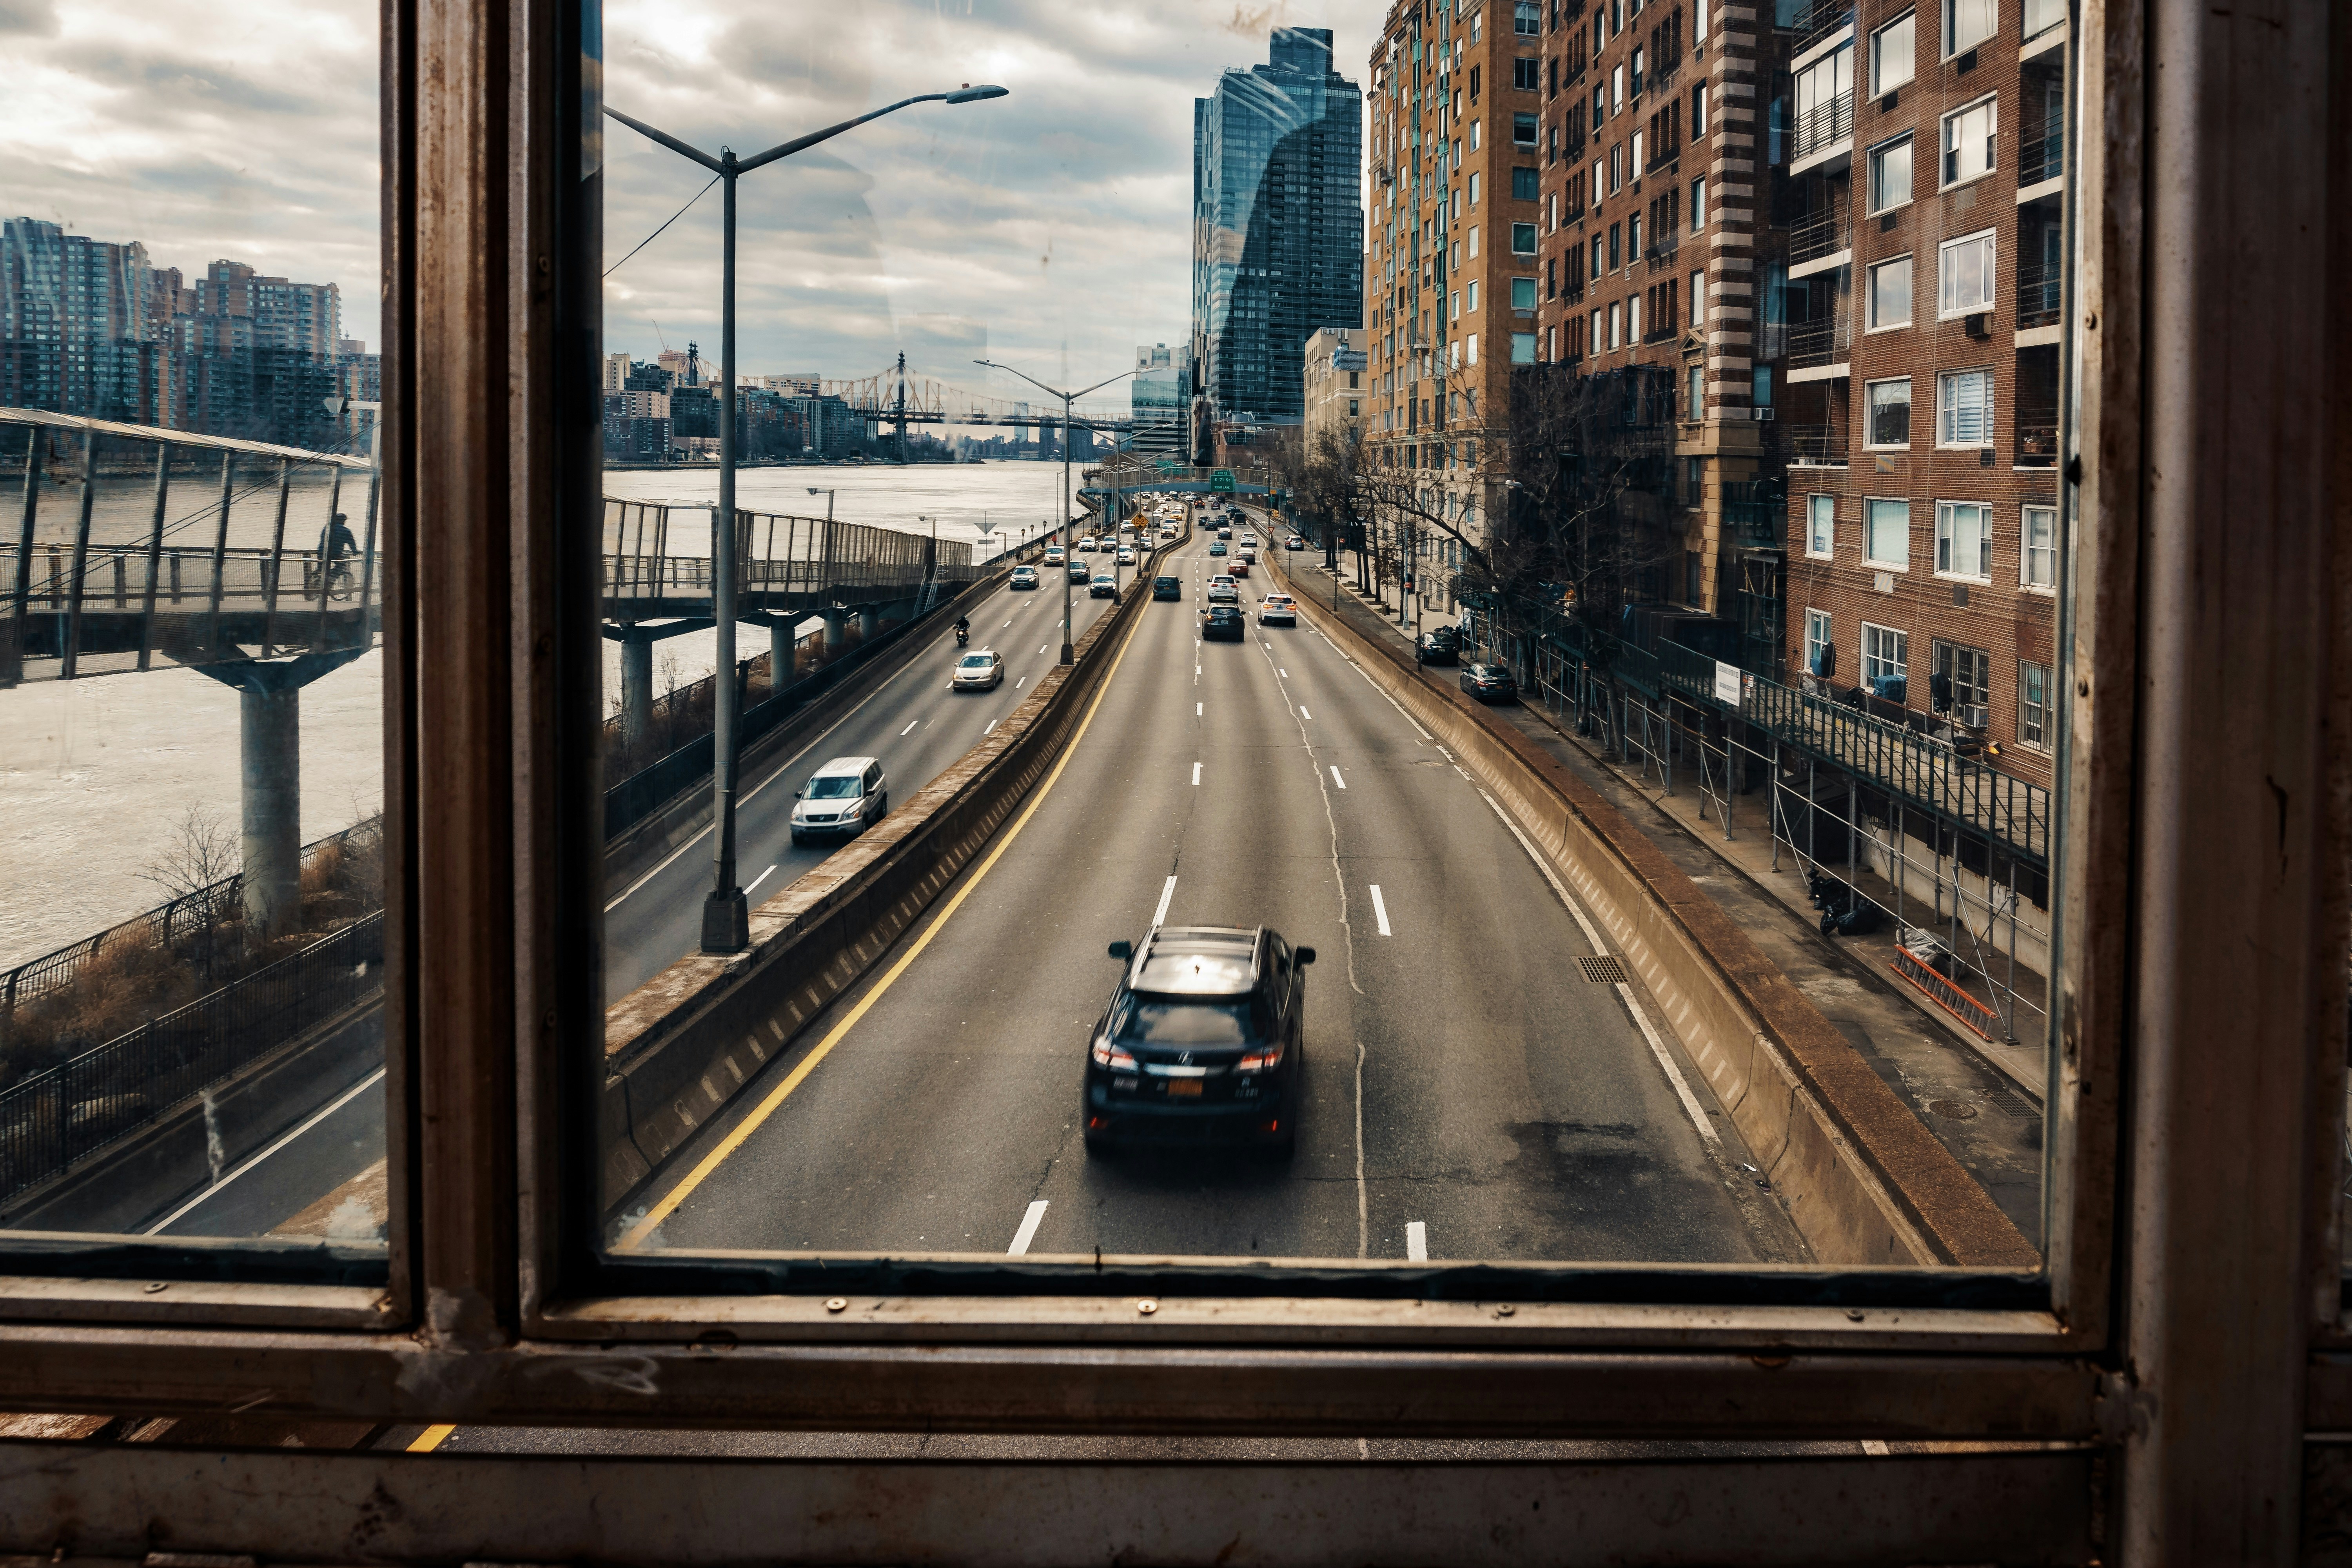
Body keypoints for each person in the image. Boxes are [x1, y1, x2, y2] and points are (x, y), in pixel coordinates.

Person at [318, 512, 359, 599]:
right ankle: (331, 577)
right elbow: (352, 542)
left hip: (322, 552)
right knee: (342, 564)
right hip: (335, 553)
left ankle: (317, 580)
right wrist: (355, 552)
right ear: (343, 521)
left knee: (321, 569)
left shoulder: (327, 527)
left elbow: (322, 538)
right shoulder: (346, 531)